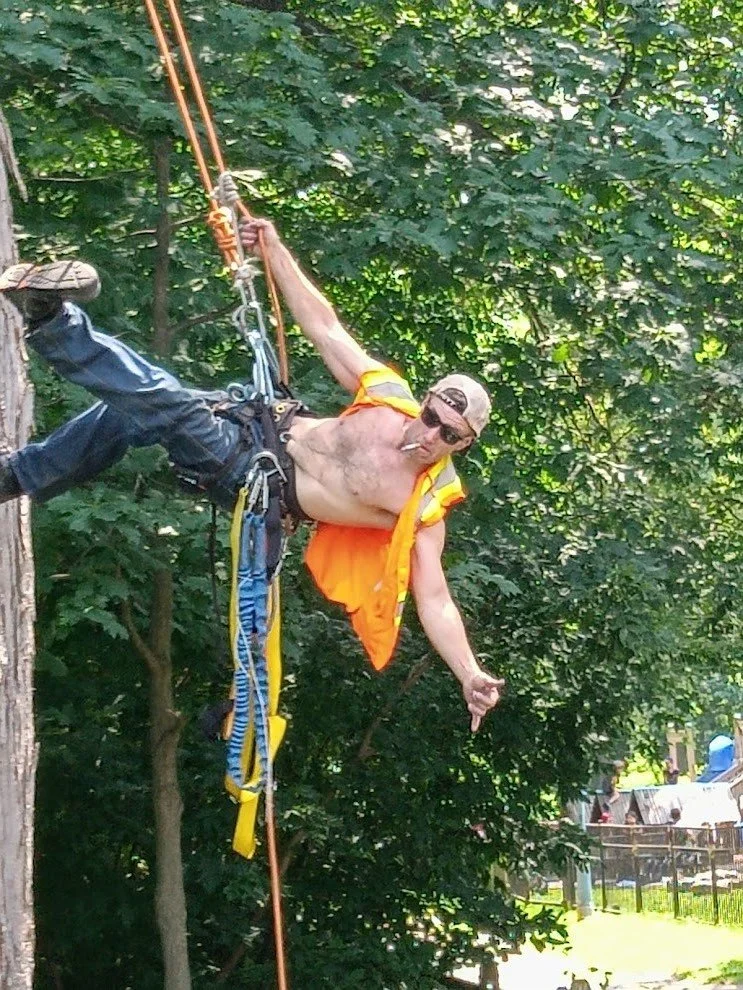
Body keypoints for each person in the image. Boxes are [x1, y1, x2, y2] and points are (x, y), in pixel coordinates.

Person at [0, 219, 503, 729]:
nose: (432, 434)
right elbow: (324, 325)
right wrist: (274, 249)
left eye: (450, 435)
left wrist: (469, 673)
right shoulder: (386, 397)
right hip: (251, 421)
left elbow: (435, 598)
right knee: (127, 416)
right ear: (427, 401)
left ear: (464, 445)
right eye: (433, 416)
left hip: (255, 479)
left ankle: (52, 320)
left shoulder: (422, 504)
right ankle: (16, 477)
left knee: (167, 404)